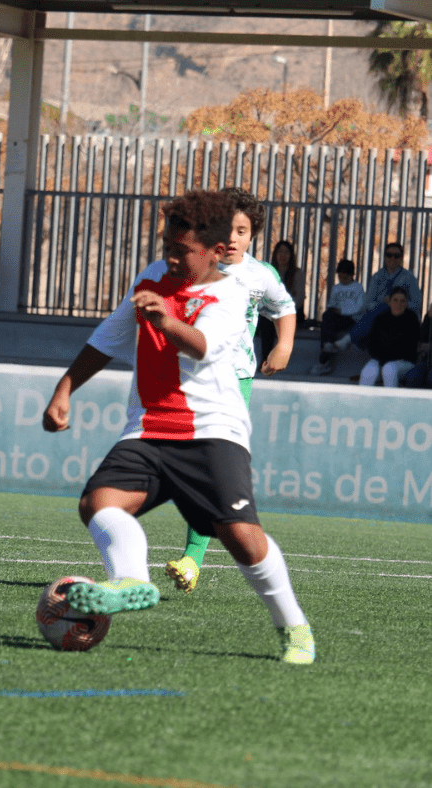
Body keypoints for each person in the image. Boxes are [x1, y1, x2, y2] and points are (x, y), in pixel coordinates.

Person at [42, 189, 315, 665]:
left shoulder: (229, 293)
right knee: (97, 503)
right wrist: (65, 388)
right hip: (148, 426)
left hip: (211, 430)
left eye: (181, 250)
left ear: (213, 252)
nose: (170, 255)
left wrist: (165, 320)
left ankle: (294, 627)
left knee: (242, 537)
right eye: (167, 243)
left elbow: (204, 346)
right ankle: (131, 580)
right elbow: (110, 334)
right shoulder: (153, 276)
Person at [164, 187, 296, 595]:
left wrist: (284, 344)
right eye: (228, 228)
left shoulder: (260, 275)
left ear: (253, 234)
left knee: (208, 464)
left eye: (243, 229)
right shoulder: (198, 265)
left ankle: (192, 558)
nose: (234, 237)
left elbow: (284, 307)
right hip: (189, 375)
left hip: (234, 379)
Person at [326, 241, 422, 356]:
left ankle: (348, 339)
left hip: (403, 317)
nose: (392, 258)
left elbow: (417, 303)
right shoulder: (377, 277)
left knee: (385, 307)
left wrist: (397, 304)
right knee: (380, 308)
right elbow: (368, 303)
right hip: (380, 316)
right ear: (385, 257)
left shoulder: (409, 277)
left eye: (396, 256)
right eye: (389, 255)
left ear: (401, 258)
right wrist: (382, 304)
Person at [309, 259, 365, 375]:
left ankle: (324, 361)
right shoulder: (336, 288)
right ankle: (327, 348)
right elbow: (331, 304)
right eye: (340, 277)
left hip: (352, 318)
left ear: (351, 275)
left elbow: (360, 307)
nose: (343, 280)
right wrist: (335, 310)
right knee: (327, 317)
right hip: (337, 317)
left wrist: (343, 311)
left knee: (330, 323)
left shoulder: (357, 288)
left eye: (345, 277)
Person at [357, 286, 420, 387]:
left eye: (402, 301)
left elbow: (409, 347)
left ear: (406, 303)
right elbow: (372, 344)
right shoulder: (380, 318)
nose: (398, 304)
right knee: (368, 371)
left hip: (404, 361)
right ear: (389, 302)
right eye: (395, 300)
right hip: (381, 359)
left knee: (389, 369)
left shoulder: (412, 319)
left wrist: (386, 357)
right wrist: (382, 358)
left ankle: (391, 402)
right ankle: (362, 401)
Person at [257, 240, 303, 359]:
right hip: (270, 311)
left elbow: (299, 299)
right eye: (280, 252)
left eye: (286, 252)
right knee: (266, 320)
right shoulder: (268, 273)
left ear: (291, 255)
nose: (283, 255)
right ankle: (265, 358)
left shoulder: (298, 274)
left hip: (291, 312)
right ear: (275, 254)